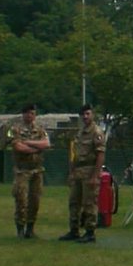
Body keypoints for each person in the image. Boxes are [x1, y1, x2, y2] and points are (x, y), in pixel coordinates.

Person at [61, 103, 106, 243]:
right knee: (74, 202)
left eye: (88, 114)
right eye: (83, 114)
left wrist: (95, 175)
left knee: (89, 202)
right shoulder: (80, 133)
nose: (85, 117)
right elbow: (75, 155)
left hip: (90, 170)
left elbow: (100, 154)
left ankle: (90, 232)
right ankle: (74, 230)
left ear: (92, 115)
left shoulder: (96, 132)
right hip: (78, 171)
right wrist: (72, 173)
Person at [7, 104, 51, 239]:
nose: (30, 116)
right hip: (22, 171)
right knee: (21, 200)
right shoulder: (14, 129)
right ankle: (20, 229)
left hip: (37, 170)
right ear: (23, 114)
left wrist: (28, 142)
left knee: (35, 200)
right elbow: (18, 147)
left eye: (32, 113)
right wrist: (36, 148)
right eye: (27, 113)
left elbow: (46, 144)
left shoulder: (40, 129)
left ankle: (30, 229)